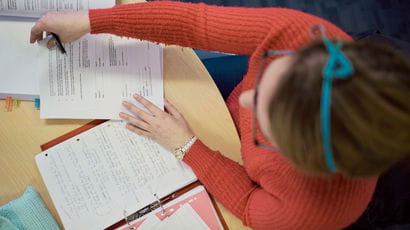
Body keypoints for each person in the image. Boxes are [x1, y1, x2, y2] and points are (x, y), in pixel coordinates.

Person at [30, 1, 410, 229]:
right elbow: (195, 24)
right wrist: (93, 21)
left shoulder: (314, 211)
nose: (245, 100)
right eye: (270, 72)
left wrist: (186, 145)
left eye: (265, 124)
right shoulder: (308, 37)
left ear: (297, 158)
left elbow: (248, 204)